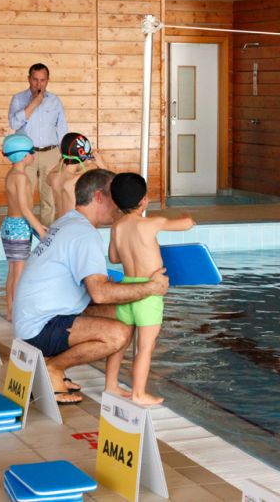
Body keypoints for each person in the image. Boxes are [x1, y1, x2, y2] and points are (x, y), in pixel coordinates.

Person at [12, 169, 169, 404]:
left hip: (40, 317)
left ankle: (108, 384)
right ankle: (52, 368)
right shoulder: (83, 234)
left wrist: (128, 292)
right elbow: (100, 292)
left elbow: (96, 291)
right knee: (118, 334)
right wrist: (150, 288)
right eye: (114, 196)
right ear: (99, 197)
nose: (119, 204)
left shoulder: (69, 221)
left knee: (125, 315)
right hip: (39, 328)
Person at [107, 172, 195, 406]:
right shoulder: (151, 223)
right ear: (144, 200)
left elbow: (114, 257)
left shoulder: (117, 227)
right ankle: (138, 393)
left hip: (127, 289)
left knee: (121, 343)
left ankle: (111, 385)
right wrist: (187, 215)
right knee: (145, 347)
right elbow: (186, 225)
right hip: (149, 294)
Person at [8, 63, 68, 226]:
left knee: (48, 199)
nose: (38, 84)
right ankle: (25, 234)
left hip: (51, 153)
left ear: (47, 80)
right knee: (24, 196)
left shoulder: (55, 101)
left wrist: (65, 155)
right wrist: (34, 103)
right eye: (35, 80)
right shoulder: (18, 99)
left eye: (42, 80)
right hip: (26, 155)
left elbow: (62, 128)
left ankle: (46, 236)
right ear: (29, 79)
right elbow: (13, 124)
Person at [1, 134, 48, 320]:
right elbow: (24, 208)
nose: (34, 155)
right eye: (31, 152)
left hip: (11, 224)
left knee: (13, 270)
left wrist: (37, 225)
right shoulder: (21, 177)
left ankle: (11, 309)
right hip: (19, 226)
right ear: (22, 156)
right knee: (19, 271)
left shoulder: (12, 174)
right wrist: (41, 231)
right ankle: (16, 310)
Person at [47, 132, 102, 220]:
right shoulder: (78, 179)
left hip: (60, 225)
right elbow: (114, 183)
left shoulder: (52, 177)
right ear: (82, 158)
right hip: (74, 227)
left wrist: (64, 160)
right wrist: (101, 164)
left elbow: (54, 172)